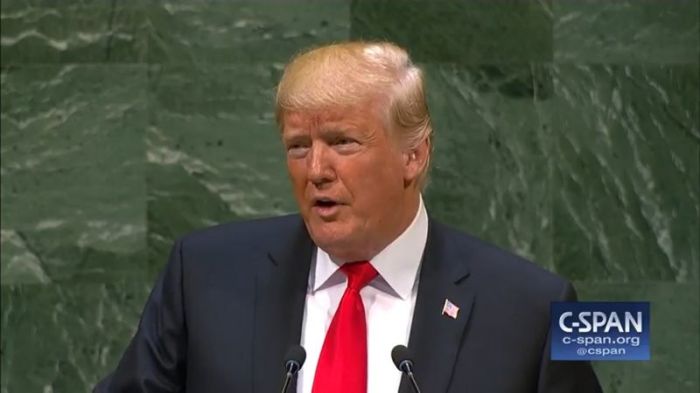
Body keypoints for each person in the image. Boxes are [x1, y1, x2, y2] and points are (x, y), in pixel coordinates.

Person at [94, 41, 602, 393]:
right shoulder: (203, 275)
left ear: (414, 155)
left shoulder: (534, 310)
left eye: (342, 142)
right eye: (298, 146)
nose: (316, 170)